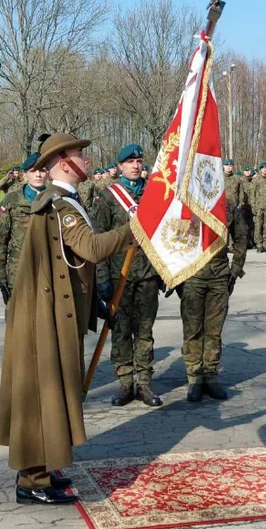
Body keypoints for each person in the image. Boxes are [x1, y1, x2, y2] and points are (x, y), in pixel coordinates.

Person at [0, 133, 136, 506]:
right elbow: (89, 250)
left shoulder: (65, 202)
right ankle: (32, 481)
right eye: (80, 155)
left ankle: (43, 468)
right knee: (42, 395)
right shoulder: (61, 206)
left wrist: (95, 306)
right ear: (62, 162)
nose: (87, 161)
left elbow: (67, 269)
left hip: (58, 312)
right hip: (47, 318)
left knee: (52, 395)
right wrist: (134, 229)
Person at [94, 144, 163, 408]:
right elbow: (98, 240)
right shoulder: (108, 198)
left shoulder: (155, 195)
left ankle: (144, 382)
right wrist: (102, 279)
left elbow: (164, 235)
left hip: (147, 275)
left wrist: (164, 272)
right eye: (130, 162)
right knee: (121, 331)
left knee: (145, 332)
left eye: (139, 161)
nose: (136, 165)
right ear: (119, 166)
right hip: (118, 276)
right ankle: (125, 382)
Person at [180, 198, 249, 402]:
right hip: (192, 275)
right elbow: (170, 238)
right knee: (192, 329)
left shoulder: (226, 204)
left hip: (219, 274)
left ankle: (210, 375)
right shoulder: (185, 202)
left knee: (214, 330)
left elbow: (241, 237)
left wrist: (235, 270)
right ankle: (194, 378)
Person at [0, 153, 49, 305]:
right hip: (19, 270)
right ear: (25, 175)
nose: (38, 174)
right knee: (18, 321)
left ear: (48, 173)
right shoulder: (12, 200)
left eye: (42, 170)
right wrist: (0, 275)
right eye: (33, 170)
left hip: (49, 270)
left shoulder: (56, 199)